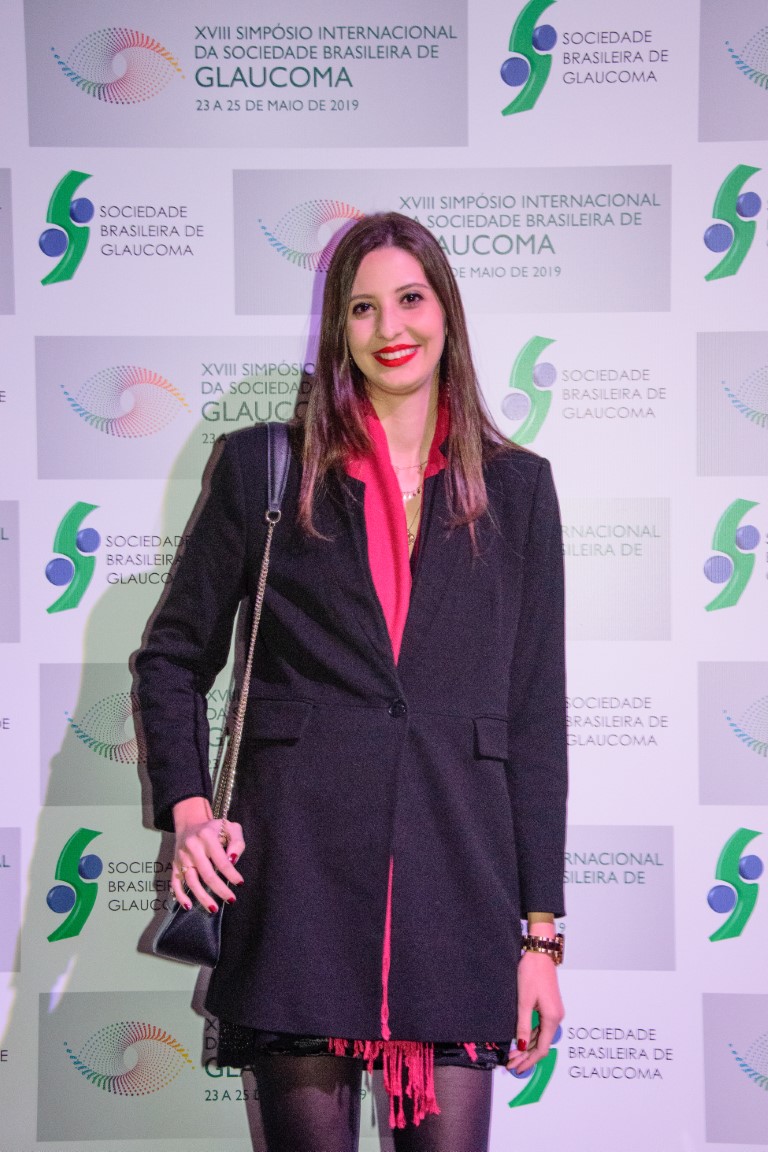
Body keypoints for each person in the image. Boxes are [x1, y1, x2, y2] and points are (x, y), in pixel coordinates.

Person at [136, 211, 567, 1152]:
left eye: (409, 299)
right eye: (362, 308)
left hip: (459, 892)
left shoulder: (520, 490)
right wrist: (190, 811)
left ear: (446, 312)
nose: (389, 327)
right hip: (298, 888)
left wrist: (540, 940)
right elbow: (171, 658)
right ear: (338, 327)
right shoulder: (266, 468)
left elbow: (536, 722)